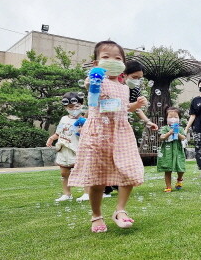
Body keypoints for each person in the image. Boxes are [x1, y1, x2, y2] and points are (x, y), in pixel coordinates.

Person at [68, 40, 147, 233]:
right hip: (99, 133)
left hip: (121, 132)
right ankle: (96, 216)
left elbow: (119, 105)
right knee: (97, 179)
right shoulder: (96, 80)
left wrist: (134, 107)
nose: (112, 60)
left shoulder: (124, 87)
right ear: (96, 63)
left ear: (123, 64)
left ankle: (120, 210)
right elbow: (91, 89)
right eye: (106, 57)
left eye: (117, 58)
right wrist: (93, 79)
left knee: (130, 171)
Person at [102, 60, 159, 197]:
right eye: (134, 77)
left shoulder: (134, 89)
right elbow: (104, 105)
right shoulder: (109, 84)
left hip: (121, 125)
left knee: (122, 155)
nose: (137, 81)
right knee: (106, 156)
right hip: (105, 124)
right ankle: (106, 185)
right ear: (123, 74)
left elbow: (134, 108)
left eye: (140, 78)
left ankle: (116, 182)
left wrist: (147, 121)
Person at [46, 92, 89, 202]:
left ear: (81, 106)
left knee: (83, 172)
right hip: (63, 148)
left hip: (78, 149)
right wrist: (52, 138)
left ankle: (87, 193)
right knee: (64, 173)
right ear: (66, 107)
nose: (73, 109)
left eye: (76, 106)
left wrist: (83, 130)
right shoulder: (64, 119)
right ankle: (67, 194)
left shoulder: (85, 120)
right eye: (70, 107)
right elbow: (59, 132)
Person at [157, 107, 187, 192]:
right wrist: (169, 133)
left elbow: (183, 138)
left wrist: (177, 133)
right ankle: (168, 186)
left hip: (177, 150)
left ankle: (179, 179)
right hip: (167, 152)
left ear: (179, 119)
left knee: (180, 167)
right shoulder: (164, 128)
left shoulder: (180, 128)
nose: (173, 119)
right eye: (170, 117)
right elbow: (161, 138)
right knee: (167, 169)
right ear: (166, 119)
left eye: (176, 117)